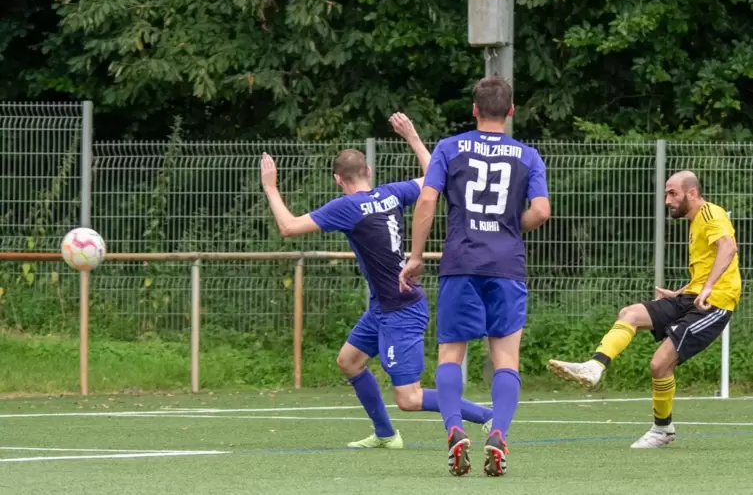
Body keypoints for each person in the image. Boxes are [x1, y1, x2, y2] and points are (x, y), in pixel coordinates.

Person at [261, 113, 493, 450]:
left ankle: (486, 414)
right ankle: (386, 434)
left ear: (338, 179)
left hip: (401, 308)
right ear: (368, 171)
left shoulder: (347, 207)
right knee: (349, 361)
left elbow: (288, 227)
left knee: (410, 398)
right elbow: (433, 178)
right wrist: (412, 136)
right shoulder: (392, 193)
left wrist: (270, 186)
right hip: (385, 306)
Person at [398, 77, 551, 476]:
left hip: (460, 262)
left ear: (474, 109)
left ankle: (454, 429)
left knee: (451, 353)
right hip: (507, 264)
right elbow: (542, 211)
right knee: (506, 359)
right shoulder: (528, 155)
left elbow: (428, 198)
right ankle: (498, 432)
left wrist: (415, 256)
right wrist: (509, 227)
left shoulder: (450, 148)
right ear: (512, 111)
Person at [548, 170, 741, 448]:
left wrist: (708, 287)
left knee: (659, 364)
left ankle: (662, 430)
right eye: (666, 193)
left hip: (714, 304)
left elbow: (728, 247)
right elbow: (710, 264)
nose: (667, 200)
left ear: (692, 193)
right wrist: (684, 290)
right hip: (693, 296)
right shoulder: (696, 221)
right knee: (630, 314)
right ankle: (594, 366)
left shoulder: (711, 214)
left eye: (672, 193)